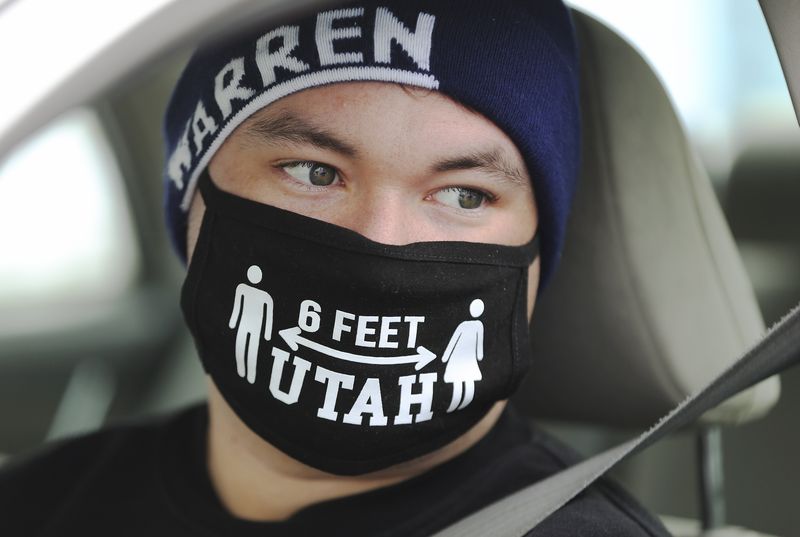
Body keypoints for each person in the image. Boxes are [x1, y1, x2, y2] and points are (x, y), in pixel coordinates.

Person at [0, 1, 672, 535]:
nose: (380, 251)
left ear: (537, 244)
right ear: (191, 200)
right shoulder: (41, 503)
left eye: (465, 195)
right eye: (313, 172)